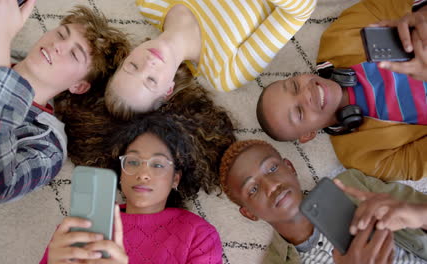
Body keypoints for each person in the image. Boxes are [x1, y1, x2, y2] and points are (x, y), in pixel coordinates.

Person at [0, 0, 129, 220]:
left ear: (78, 86)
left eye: (74, 54)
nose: (58, 45)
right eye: (61, 34)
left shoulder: (47, 145)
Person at [39, 103, 236, 263]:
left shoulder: (199, 235)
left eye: (158, 164)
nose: (143, 174)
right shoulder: (80, 226)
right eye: (132, 162)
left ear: (175, 178)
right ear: (121, 173)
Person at [256, 0, 427, 181]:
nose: (306, 94)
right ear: (307, 135)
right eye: (299, 112)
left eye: (295, 86)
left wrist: (422, 13)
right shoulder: (363, 158)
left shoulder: (339, 34)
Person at [219, 139, 427, 264]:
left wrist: (417, 214)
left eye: (272, 168)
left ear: (290, 168)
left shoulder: (350, 184)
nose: (271, 186)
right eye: (253, 189)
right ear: (249, 213)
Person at [104, 0, 317, 118]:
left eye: (132, 66)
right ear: (168, 90)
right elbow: (300, 11)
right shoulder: (225, 72)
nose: (148, 64)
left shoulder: (149, 2)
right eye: (151, 81)